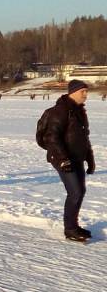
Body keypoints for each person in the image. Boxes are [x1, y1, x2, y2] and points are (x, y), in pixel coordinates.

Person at [42, 79, 95, 242]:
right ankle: (70, 229)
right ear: (73, 92)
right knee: (75, 192)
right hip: (62, 158)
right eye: (83, 92)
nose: (86, 95)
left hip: (76, 158)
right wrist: (63, 159)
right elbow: (52, 137)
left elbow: (84, 137)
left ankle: (74, 225)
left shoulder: (79, 111)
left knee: (80, 192)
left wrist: (89, 158)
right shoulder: (61, 110)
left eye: (86, 91)